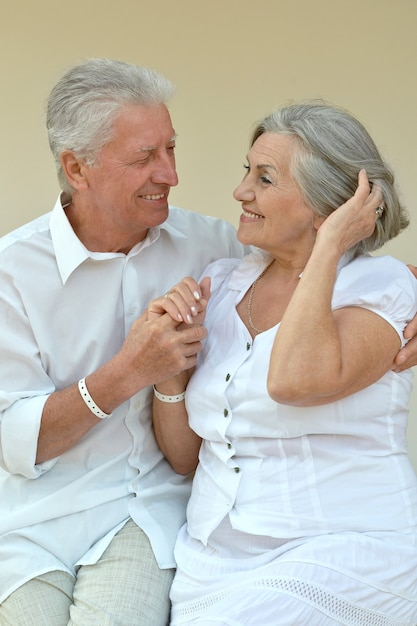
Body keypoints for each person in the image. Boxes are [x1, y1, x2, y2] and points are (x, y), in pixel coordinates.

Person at [0, 58, 248, 625]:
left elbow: (310, 278)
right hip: (26, 526)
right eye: (144, 158)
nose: (170, 175)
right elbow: (15, 442)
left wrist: (401, 289)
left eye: (171, 149)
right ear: (76, 168)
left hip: (144, 515)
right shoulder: (10, 272)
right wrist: (128, 373)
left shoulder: (213, 247)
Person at [152, 102, 417, 625]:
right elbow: (185, 457)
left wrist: (330, 245)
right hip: (210, 561)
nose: (241, 191)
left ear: (328, 205)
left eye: (265, 178)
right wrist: (169, 364)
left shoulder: (381, 286)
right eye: (246, 171)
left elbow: (296, 382)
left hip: (338, 551)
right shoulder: (223, 285)